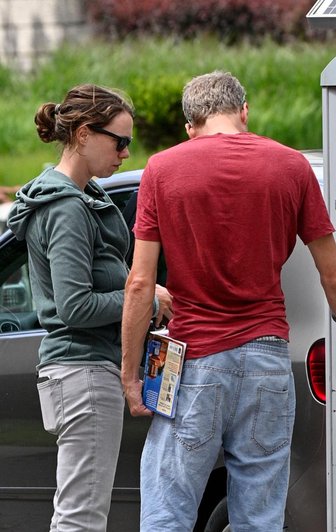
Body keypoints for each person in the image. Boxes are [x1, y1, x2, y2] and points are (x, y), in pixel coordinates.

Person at [121, 71, 336, 531]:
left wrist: (129, 373)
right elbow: (334, 274)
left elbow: (140, 284)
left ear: (190, 125)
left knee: (169, 505)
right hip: (266, 358)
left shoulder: (162, 169)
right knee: (260, 513)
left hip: (193, 360)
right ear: (244, 112)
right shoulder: (290, 166)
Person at [6, 84, 172, 531]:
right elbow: (75, 306)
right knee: (81, 517)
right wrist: (145, 297)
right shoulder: (66, 209)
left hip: (82, 373)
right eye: (119, 141)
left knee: (80, 510)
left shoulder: (82, 198)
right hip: (82, 372)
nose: (125, 152)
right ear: (82, 134)